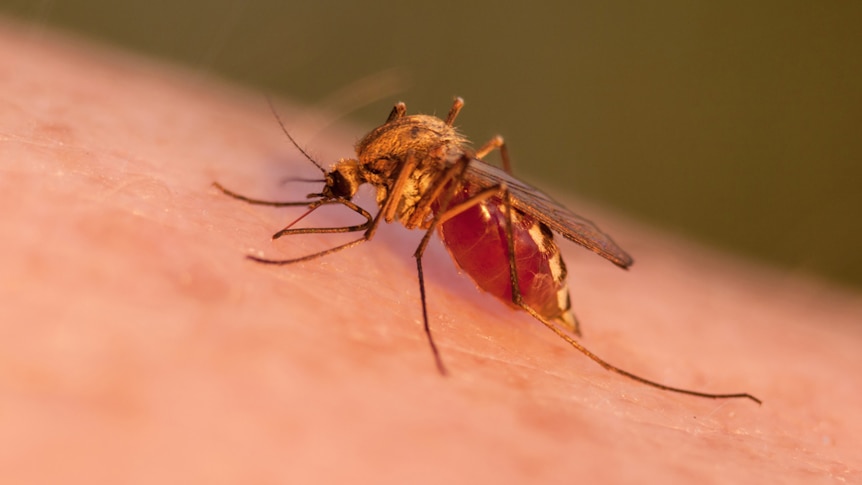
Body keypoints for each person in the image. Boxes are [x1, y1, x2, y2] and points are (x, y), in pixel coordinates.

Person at [2, 20, 858, 483]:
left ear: (368, 172)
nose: (345, 192)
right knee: (454, 189)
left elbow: (398, 212)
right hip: (456, 187)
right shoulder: (376, 164)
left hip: (481, 208)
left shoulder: (402, 179)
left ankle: (568, 331)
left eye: (346, 186)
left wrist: (454, 212)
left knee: (439, 219)